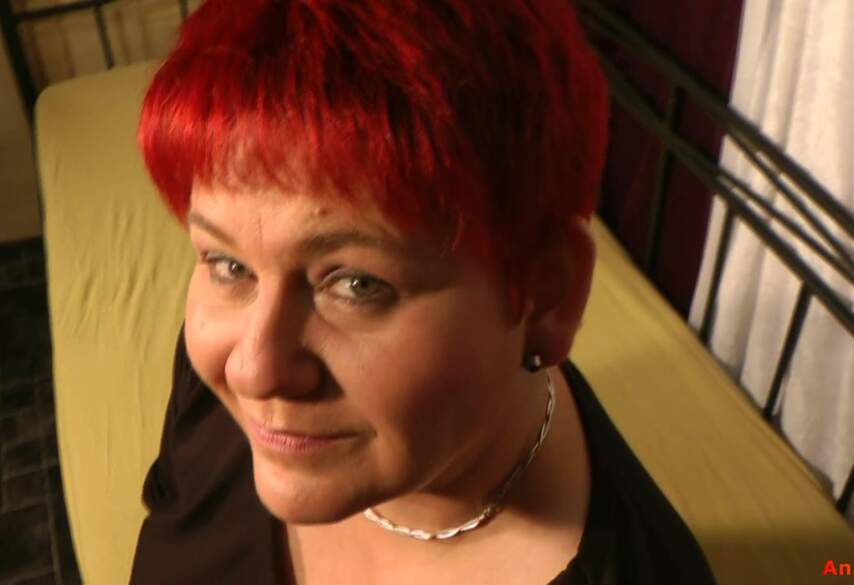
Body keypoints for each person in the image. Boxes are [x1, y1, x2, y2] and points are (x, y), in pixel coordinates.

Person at [130, 1, 717, 583]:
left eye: (357, 285)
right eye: (229, 265)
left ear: (547, 295)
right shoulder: (218, 379)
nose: (253, 371)